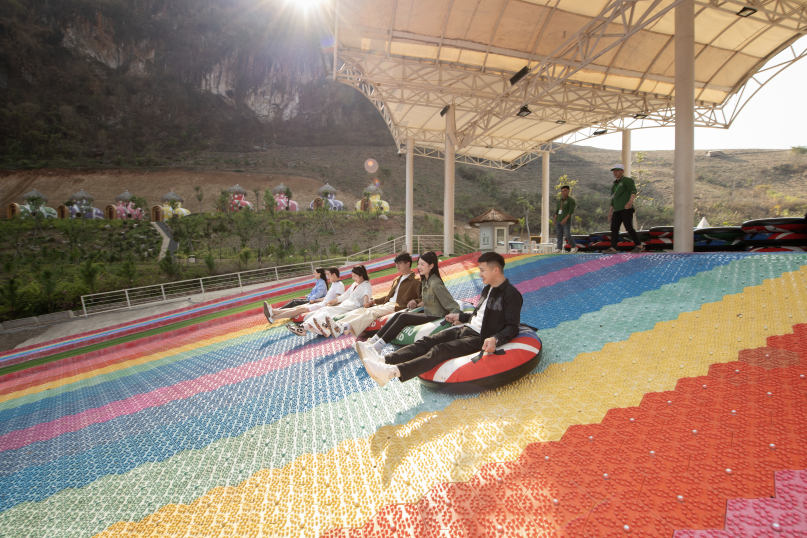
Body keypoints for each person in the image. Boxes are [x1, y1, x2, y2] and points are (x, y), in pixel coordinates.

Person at [357, 252, 523, 387]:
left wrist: (496, 338)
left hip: (480, 337)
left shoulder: (511, 294)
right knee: (427, 341)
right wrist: (460, 316)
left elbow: (512, 326)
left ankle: (391, 372)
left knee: (440, 350)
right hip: (466, 329)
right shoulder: (488, 290)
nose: (479, 274)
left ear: (495, 270)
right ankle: (383, 359)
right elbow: (479, 315)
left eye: (482, 270)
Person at [364, 251, 459, 353]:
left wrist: (458, 318)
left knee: (403, 317)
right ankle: (372, 341)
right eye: (418, 264)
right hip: (428, 311)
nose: (419, 267)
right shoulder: (425, 281)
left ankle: (376, 347)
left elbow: (452, 304)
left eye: (422, 264)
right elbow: (427, 300)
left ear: (431, 266)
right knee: (398, 315)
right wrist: (416, 303)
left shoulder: (435, 283)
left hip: (435, 314)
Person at [329, 253, 422, 338]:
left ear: (408, 264)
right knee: (362, 310)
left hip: (397, 306)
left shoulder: (416, 281)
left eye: (399, 263)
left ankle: (342, 328)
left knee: (371, 312)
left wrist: (415, 301)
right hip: (388, 304)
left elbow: (421, 298)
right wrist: (374, 301)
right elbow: (388, 297)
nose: (397, 265)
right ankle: (338, 325)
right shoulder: (397, 279)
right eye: (396, 263)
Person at [287, 265, 373, 336]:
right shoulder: (355, 284)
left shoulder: (366, 284)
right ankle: (303, 327)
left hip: (353, 306)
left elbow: (367, 293)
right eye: (352, 276)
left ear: (361, 275)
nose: (353, 278)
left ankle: (303, 328)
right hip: (345, 304)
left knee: (327, 310)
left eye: (355, 276)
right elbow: (344, 296)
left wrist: (365, 301)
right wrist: (331, 301)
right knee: (323, 309)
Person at [264, 267, 344, 323]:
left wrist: (326, 305)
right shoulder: (334, 284)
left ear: (334, 274)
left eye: (329, 275)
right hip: (321, 303)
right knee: (299, 307)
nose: (327, 277)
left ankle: (273, 316)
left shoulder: (339, 285)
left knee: (300, 309)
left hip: (323, 306)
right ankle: (273, 313)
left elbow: (337, 300)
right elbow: (326, 298)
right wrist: (316, 300)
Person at [605, 164, 644, 254]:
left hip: (626, 208)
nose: (615, 173)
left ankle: (639, 245)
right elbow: (613, 200)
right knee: (614, 228)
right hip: (617, 210)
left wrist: (630, 201)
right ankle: (613, 248)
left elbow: (633, 191)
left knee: (628, 227)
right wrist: (610, 212)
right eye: (614, 171)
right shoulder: (614, 185)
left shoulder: (627, 180)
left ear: (622, 171)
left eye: (617, 171)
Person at [554, 185, 578, 253]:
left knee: (567, 235)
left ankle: (574, 247)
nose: (563, 192)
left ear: (568, 191)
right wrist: (555, 220)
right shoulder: (560, 201)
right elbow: (557, 211)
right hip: (558, 220)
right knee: (559, 235)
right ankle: (559, 249)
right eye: (562, 191)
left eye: (565, 191)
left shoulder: (571, 201)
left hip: (566, 221)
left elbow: (571, 211)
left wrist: (565, 219)